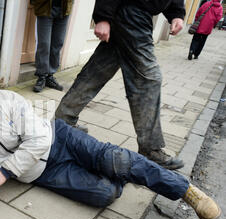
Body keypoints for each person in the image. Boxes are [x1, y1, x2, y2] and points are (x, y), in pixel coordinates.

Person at [0, 69, 220, 219]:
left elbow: (38, 139)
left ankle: (184, 190)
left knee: (116, 161)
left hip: (59, 139)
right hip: (41, 174)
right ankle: (121, 170)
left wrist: (4, 172)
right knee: (104, 194)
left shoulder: (10, 102)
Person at [54, 0, 187, 170]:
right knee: (149, 80)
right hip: (132, 12)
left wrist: (176, 13)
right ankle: (150, 149)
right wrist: (102, 16)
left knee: (97, 71)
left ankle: (63, 120)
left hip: (135, 13)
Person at [30, 0, 73, 93]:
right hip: (44, 7)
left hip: (64, 9)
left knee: (57, 44)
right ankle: (42, 77)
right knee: (44, 44)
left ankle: (50, 76)